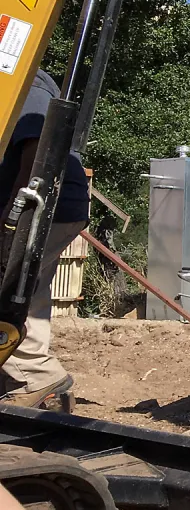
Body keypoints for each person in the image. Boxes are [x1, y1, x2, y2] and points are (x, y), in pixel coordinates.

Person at [0, 68, 89, 408]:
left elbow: (40, 151)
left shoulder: (22, 77)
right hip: (55, 204)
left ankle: (34, 376)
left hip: (41, 203)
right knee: (27, 289)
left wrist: (10, 218)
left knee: (8, 285)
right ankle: (36, 381)